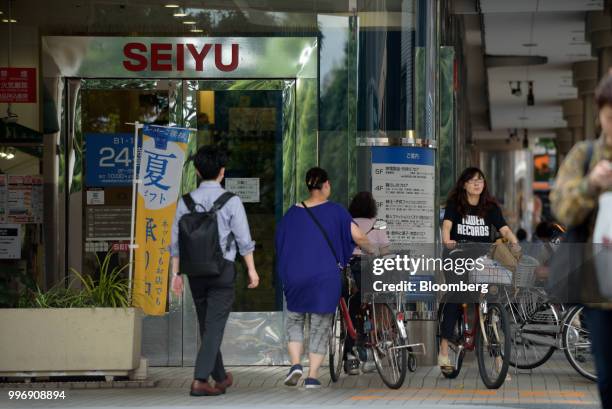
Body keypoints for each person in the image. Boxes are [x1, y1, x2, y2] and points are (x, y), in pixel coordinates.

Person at [170, 146, 260, 397]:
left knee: (207, 325)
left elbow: (175, 242)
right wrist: (252, 270)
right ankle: (200, 379)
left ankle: (220, 378)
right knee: (214, 326)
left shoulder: (185, 202)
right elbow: (244, 240)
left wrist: (175, 275)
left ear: (197, 171)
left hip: (194, 272)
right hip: (222, 271)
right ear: (223, 172)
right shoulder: (231, 201)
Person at [275, 168, 376, 389]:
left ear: (308, 186)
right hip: (324, 277)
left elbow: (280, 244)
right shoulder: (337, 211)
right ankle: (312, 376)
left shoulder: (291, 214)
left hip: (295, 276)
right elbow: (358, 236)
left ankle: (295, 365)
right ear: (326, 185)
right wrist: (372, 250)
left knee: (295, 320)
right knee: (320, 326)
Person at [550, 73, 612, 409]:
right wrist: (591, 184)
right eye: (610, 117)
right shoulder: (584, 156)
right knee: (608, 380)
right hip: (599, 290)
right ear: (600, 114)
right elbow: (561, 207)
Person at [438, 167, 519, 372]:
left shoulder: (489, 206)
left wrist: (514, 243)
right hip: (456, 255)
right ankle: (444, 350)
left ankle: (497, 359)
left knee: (492, 300)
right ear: (464, 184)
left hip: (481, 257)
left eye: (480, 180)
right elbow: (446, 226)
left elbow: (504, 229)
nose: (477, 184)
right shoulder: (456, 204)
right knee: (457, 296)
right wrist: (447, 240)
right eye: (473, 180)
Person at [343, 191, 391, 375]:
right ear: (372, 206)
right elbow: (385, 250)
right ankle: (373, 346)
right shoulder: (378, 223)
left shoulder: (347, 222)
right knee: (374, 304)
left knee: (351, 310)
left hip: (351, 269)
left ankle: (350, 354)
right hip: (372, 268)